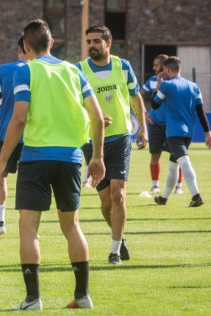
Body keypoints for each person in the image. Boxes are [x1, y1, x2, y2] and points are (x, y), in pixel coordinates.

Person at [0, 19, 106, 310]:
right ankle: (82, 296)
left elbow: (18, 118)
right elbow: (98, 116)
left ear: (25, 47)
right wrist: (97, 157)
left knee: (29, 229)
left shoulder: (25, 71)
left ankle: (33, 299)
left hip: (36, 158)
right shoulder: (74, 71)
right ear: (52, 42)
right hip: (70, 159)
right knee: (72, 227)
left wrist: (1, 162)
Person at [79, 25, 147, 265]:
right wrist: (93, 119)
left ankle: (114, 250)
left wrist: (143, 130)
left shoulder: (123, 66)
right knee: (106, 201)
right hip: (92, 141)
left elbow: (135, 96)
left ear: (108, 43)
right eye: (89, 41)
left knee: (118, 194)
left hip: (120, 138)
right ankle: (120, 237)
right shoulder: (79, 70)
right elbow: (74, 106)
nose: (92, 45)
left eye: (97, 41)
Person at [152, 57, 211, 207]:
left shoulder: (166, 85)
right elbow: (200, 111)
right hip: (188, 133)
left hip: (173, 132)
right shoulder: (194, 86)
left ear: (166, 69)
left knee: (184, 162)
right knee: (173, 165)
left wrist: (159, 84)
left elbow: (154, 104)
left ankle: (196, 195)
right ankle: (164, 198)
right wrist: (208, 132)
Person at [0, 36, 29, 237]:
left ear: (18, 48)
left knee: (0, 176)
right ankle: (29, 226)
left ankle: (0, 221)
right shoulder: (37, 70)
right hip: (31, 134)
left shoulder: (4, 70)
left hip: (6, 132)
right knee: (28, 179)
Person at [140, 54, 184, 195]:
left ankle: (179, 186)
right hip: (156, 124)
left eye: (156, 65)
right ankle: (155, 186)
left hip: (173, 125)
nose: (153, 68)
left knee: (178, 156)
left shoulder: (176, 82)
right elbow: (138, 95)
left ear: (165, 67)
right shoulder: (153, 81)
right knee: (155, 155)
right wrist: (146, 114)